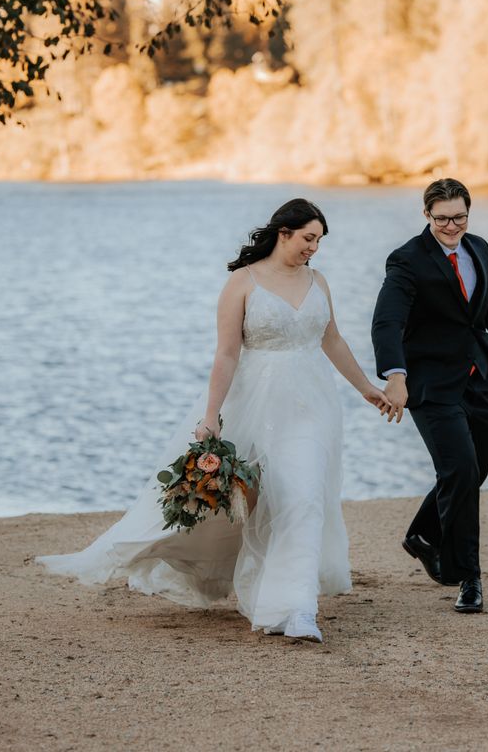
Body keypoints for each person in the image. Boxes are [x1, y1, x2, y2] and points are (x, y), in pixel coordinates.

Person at [37, 198, 390, 643]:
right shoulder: (243, 282)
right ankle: (216, 573)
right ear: (283, 233)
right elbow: (226, 354)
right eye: (308, 238)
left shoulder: (318, 281)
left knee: (304, 499)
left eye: (319, 241)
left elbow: (332, 339)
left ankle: (296, 609)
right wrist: (210, 417)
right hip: (256, 404)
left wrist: (365, 388)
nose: (313, 248)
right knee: (252, 502)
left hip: (313, 407)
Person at [371, 178, 488, 614]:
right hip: (430, 385)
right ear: (426, 214)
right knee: (461, 468)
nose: (452, 226)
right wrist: (395, 375)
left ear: (469, 213)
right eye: (443, 218)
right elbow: (388, 321)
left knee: (473, 469)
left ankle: (423, 534)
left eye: (460, 217)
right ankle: (468, 577)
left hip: (480, 376)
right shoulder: (407, 260)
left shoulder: (478, 248)